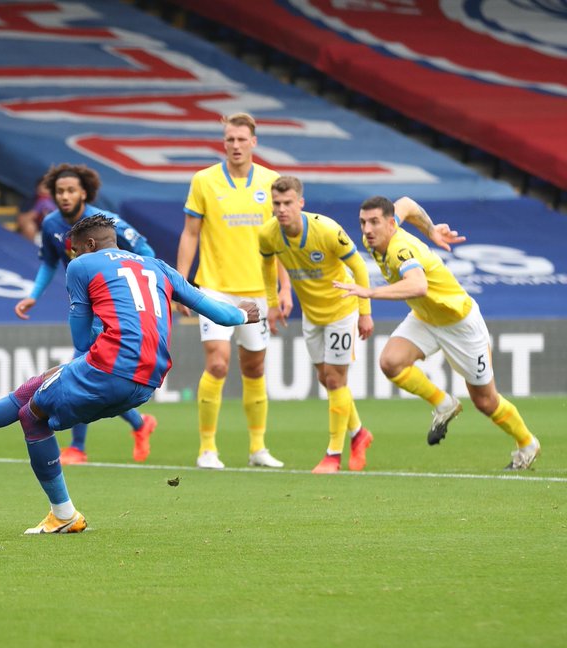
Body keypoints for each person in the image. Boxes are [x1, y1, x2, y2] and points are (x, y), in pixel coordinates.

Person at [0, 215, 262, 534]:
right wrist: (244, 314)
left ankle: (63, 514)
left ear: (88, 246)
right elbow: (221, 315)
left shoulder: (83, 265)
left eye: (74, 252)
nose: (72, 259)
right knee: (33, 388)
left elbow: (79, 338)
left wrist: (99, 328)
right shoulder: (160, 267)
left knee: (32, 417)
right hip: (147, 381)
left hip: (109, 367)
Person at [333, 196, 542, 470]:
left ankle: (527, 444)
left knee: (485, 400)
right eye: (363, 222)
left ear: (389, 224)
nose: (367, 229)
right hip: (426, 317)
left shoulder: (399, 249)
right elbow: (406, 204)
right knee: (391, 362)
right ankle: (444, 404)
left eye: (374, 222)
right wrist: (430, 229)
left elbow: (418, 285)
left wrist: (370, 292)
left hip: (460, 323)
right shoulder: (378, 236)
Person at [13, 163, 157, 465]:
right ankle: (140, 424)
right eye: (59, 191)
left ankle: (78, 447)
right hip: (84, 307)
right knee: (94, 374)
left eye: (70, 191)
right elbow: (49, 263)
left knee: (82, 371)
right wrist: (32, 296)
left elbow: (147, 253)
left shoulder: (107, 223)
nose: (64, 196)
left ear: (84, 193)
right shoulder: (52, 225)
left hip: (112, 309)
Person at [178, 112, 293, 470]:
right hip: (214, 289)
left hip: (258, 291)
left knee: (255, 368)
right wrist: (181, 284)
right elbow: (190, 233)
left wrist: (285, 286)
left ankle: (258, 448)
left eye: (242, 139)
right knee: (216, 362)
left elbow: (282, 239)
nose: (236, 145)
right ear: (223, 142)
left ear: (254, 142)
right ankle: (207, 449)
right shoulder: (204, 181)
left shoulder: (272, 182)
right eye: (230, 139)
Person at [259, 176, 375, 473]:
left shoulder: (327, 230)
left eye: (287, 203)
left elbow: (358, 267)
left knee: (336, 380)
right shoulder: (269, 234)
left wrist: (365, 311)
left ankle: (333, 455)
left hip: (342, 310)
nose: (282, 209)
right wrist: (272, 303)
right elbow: (266, 264)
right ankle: (359, 433)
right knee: (326, 379)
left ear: (301, 203)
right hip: (313, 314)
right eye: (277, 203)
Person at [15, 176, 55, 243]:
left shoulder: (56, 203)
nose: (48, 190)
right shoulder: (30, 200)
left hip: (48, 236)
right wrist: (35, 211)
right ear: (38, 188)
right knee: (30, 227)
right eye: (45, 186)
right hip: (34, 234)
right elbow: (20, 220)